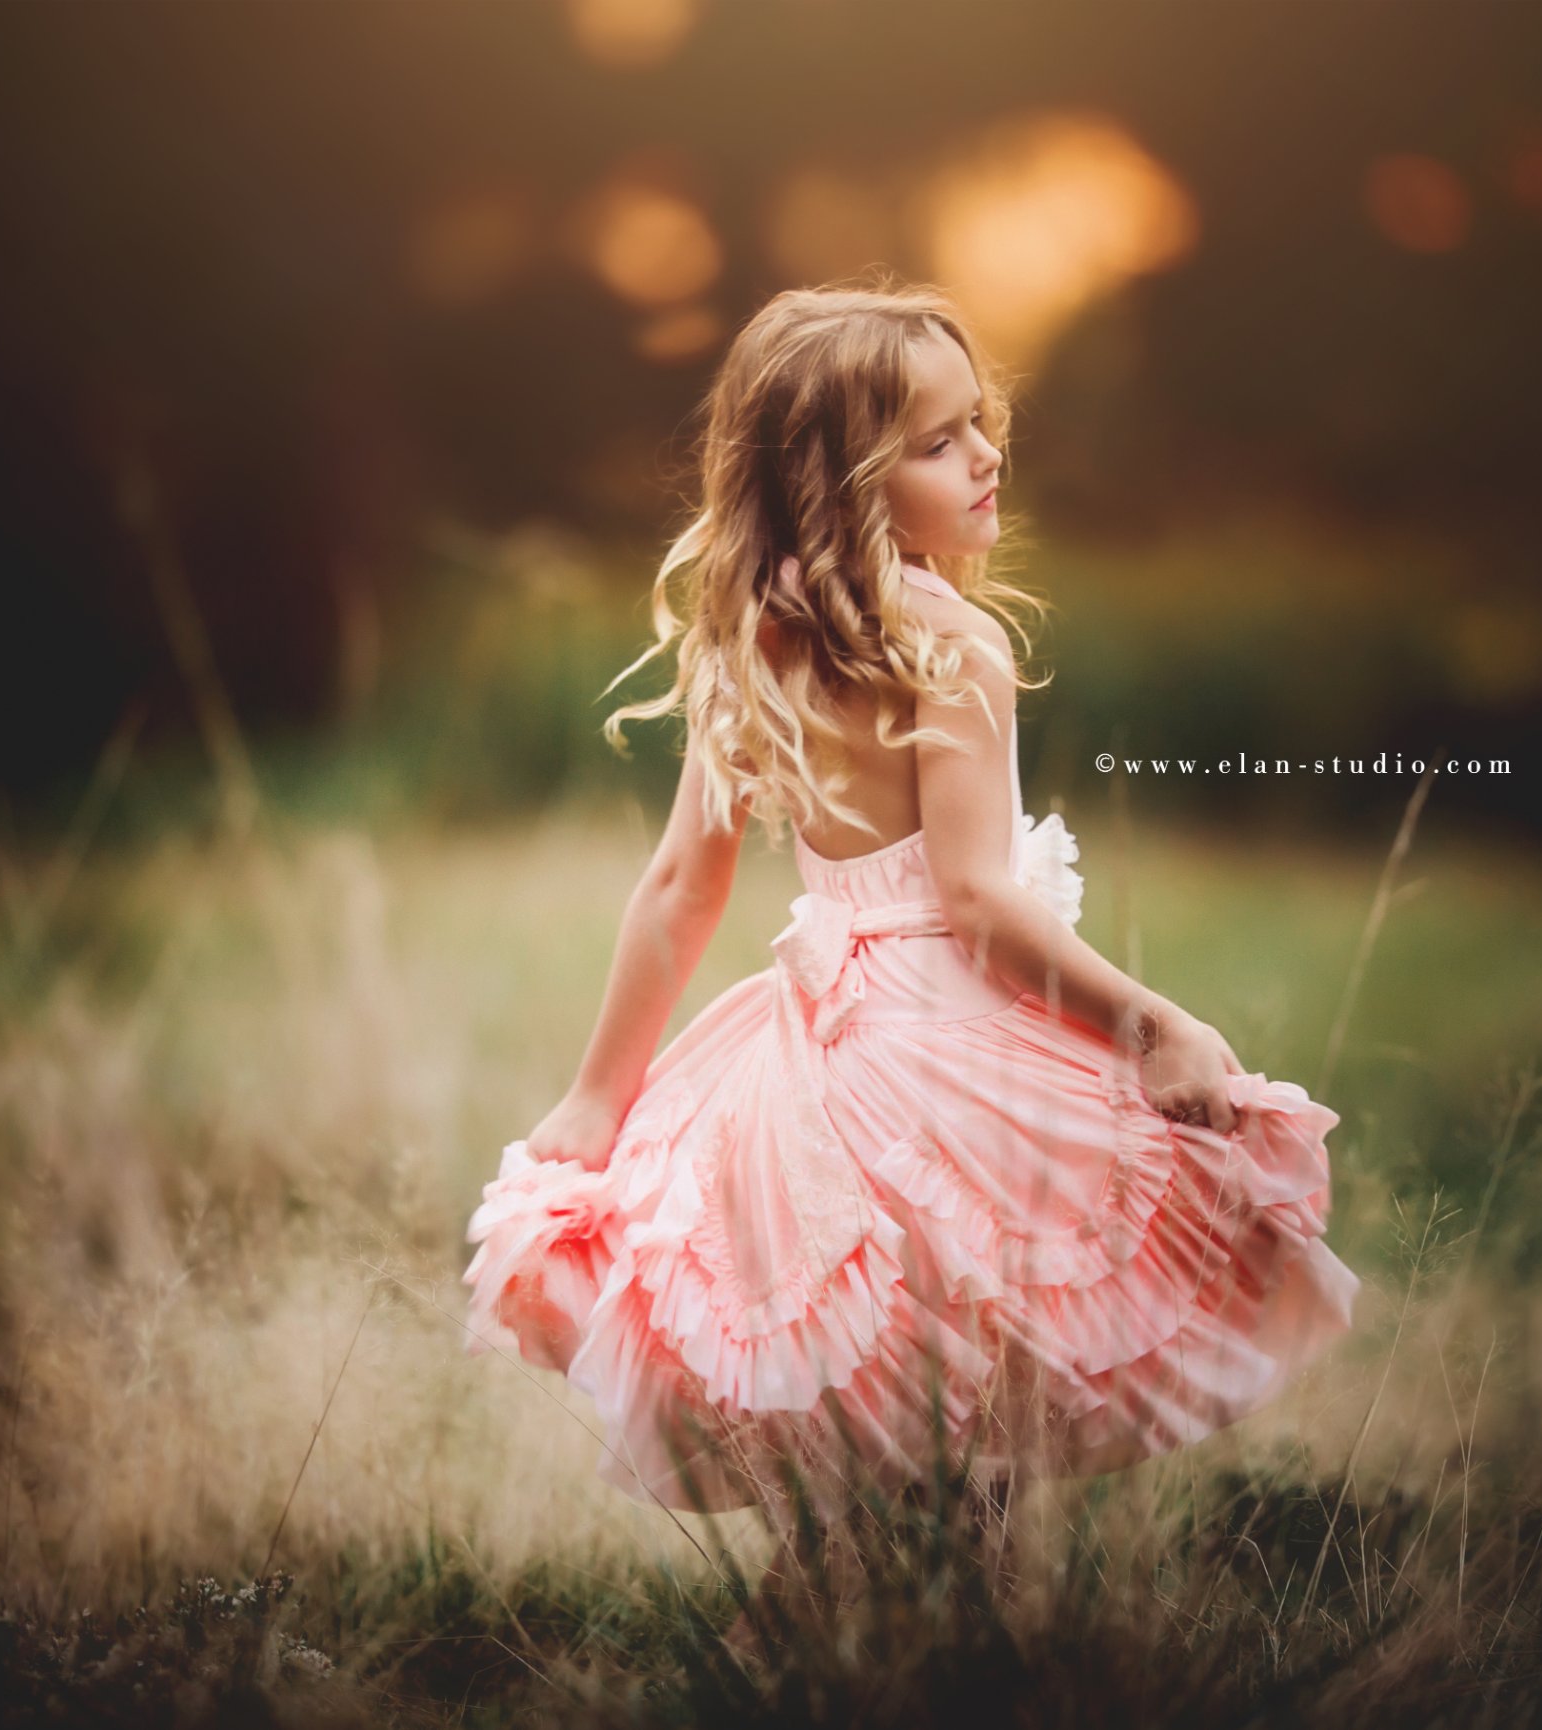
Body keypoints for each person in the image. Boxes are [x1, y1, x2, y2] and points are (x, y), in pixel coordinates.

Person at [462, 275, 1360, 1625]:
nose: (987, 453)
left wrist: (600, 1095)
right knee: (966, 1389)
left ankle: (837, 1624)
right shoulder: (952, 644)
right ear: (844, 485)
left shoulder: (748, 631)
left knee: (858, 1382)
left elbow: (676, 887)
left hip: (808, 1056)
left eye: (978, 420)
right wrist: (1151, 1021)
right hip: (939, 1042)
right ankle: (944, 1649)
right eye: (937, 444)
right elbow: (981, 907)